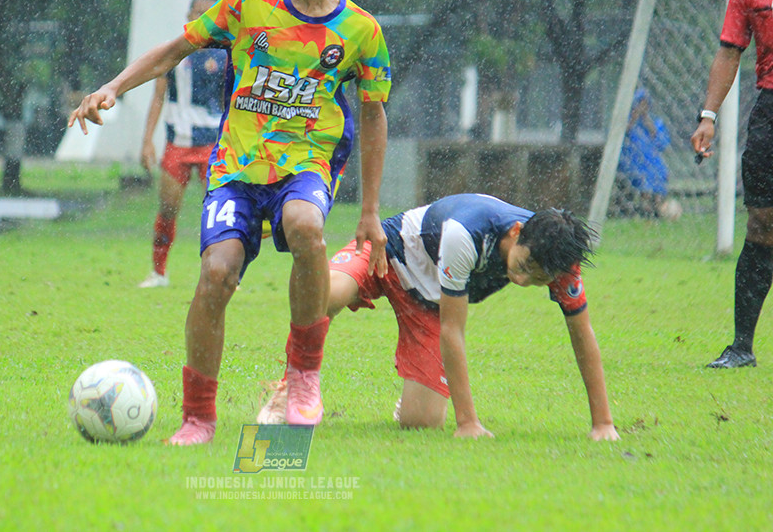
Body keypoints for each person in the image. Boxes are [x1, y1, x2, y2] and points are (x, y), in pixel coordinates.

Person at [68, 0, 392, 445]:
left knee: (306, 225)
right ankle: (198, 418)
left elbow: (374, 114)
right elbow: (173, 51)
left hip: (306, 168)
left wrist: (370, 212)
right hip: (236, 170)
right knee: (216, 274)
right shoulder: (247, 4)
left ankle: (304, 375)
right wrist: (111, 88)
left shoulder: (361, 32)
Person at [257, 193, 620, 441]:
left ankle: (416, 397)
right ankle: (292, 385)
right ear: (515, 233)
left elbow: (581, 334)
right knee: (322, 296)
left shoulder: (561, 263)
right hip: (390, 249)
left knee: (422, 423)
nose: (523, 280)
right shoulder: (467, 233)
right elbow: (453, 330)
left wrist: (603, 424)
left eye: (538, 279)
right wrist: (468, 423)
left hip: (429, 301)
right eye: (524, 266)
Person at [692, 0, 773, 369]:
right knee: (762, 224)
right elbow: (729, 52)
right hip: (770, 112)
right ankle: (742, 346)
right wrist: (708, 116)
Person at [137, 0, 227, 288]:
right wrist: (147, 140)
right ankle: (159, 272)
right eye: (196, 12)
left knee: (221, 210)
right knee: (167, 207)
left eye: (207, 13)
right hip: (178, 142)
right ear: (188, 14)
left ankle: (227, 273)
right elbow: (158, 96)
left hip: (213, 143)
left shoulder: (226, 53)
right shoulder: (176, 51)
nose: (200, 17)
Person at [617, 89, 670, 219]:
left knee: (659, 171)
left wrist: (648, 123)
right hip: (633, 160)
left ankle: (657, 206)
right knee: (643, 176)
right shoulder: (628, 122)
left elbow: (662, 143)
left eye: (645, 104)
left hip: (652, 160)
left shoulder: (655, 122)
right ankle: (645, 207)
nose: (642, 107)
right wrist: (633, 119)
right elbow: (621, 138)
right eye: (639, 104)